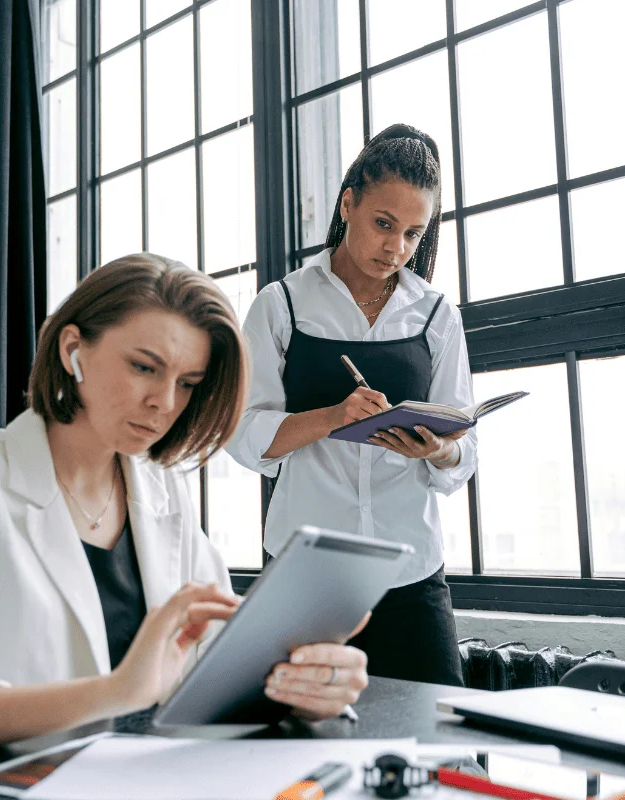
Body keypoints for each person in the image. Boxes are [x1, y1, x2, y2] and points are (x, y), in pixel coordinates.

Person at [0, 254, 370, 756]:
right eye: (144, 367)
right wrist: (118, 691)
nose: (165, 403)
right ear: (72, 350)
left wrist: (303, 689)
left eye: (188, 384)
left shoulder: (163, 489)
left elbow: (212, 671)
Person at [227, 124, 475, 687]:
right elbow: (243, 437)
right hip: (303, 573)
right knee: (292, 745)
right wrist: (334, 417)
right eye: (383, 224)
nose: (396, 248)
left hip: (410, 566)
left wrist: (437, 449)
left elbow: (465, 448)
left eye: (414, 233)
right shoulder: (281, 304)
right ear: (348, 204)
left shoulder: (435, 314)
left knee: (439, 742)